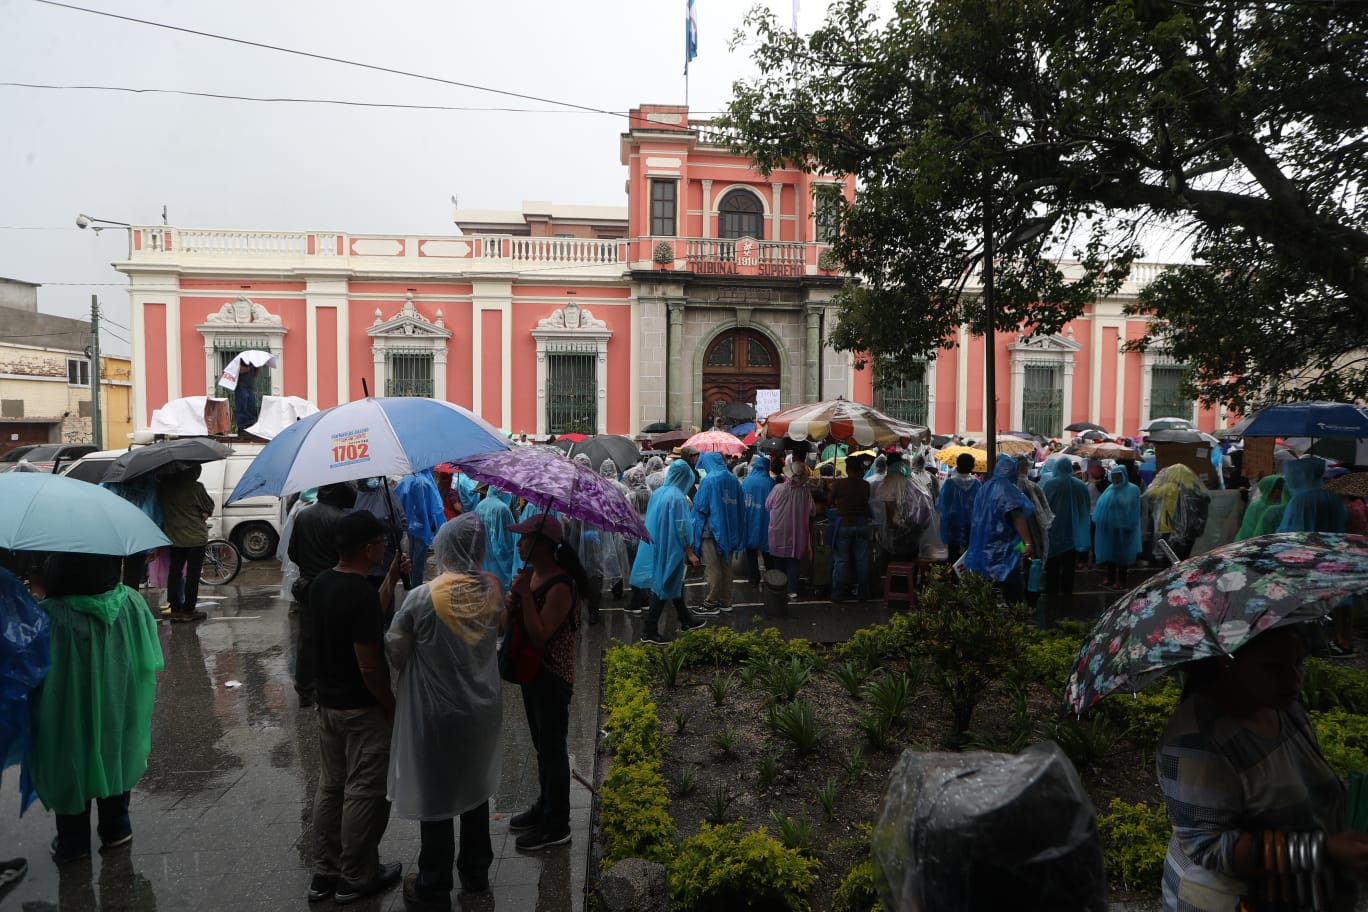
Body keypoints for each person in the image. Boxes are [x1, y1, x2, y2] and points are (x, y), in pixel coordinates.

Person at [1157, 625, 1368, 911]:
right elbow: (1211, 847)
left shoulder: (1283, 708)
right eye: (1273, 667)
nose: (1294, 679)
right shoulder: (1196, 740)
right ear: (1227, 661)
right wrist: (1325, 851)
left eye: (1298, 663)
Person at [387, 514, 502, 902]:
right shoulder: (493, 590)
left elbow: (396, 649)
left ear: (446, 547)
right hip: (481, 712)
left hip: (434, 715)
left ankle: (433, 881)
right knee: (475, 791)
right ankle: (476, 873)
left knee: (437, 795)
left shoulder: (423, 596)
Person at [30, 553, 163, 864]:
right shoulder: (130, 602)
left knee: (69, 757)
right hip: (118, 698)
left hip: (64, 706)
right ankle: (117, 827)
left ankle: (73, 841)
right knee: (114, 748)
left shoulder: (50, 614)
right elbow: (149, 656)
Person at [307, 511, 408, 905]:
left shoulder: (322, 584)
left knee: (330, 788)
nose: (384, 546)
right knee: (364, 793)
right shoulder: (359, 594)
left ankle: (324, 873)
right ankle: (356, 875)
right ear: (368, 548)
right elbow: (368, 663)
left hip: (328, 705)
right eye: (381, 542)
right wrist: (389, 703)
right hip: (361, 710)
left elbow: (364, 616)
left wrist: (391, 580)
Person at [504, 513, 589, 851]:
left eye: (524, 537)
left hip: (552, 677)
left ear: (540, 544)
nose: (518, 542)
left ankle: (557, 824)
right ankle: (545, 804)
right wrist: (515, 601)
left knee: (553, 750)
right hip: (531, 673)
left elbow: (540, 636)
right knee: (543, 747)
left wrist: (524, 597)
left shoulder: (561, 585)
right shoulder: (535, 575)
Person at [289, 481, 356, 706]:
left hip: (307, 586)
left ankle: (305, 686)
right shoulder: (342, 520)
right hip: (335, 586)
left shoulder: (303, 516)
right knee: (336, 637)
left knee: (307, 638)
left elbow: (293, 552)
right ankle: (331, 684)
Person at [632, 459, 707, 644]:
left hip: (658, 546)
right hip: (672, 549)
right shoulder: (678, 497)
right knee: (664, 586)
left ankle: (686, 620)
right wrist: (689, 552)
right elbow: (682, 527)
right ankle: (649, 631)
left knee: (673, 585)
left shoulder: (658, 493)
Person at [962, 453, 1035, 604]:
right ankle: (1015, 617)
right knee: (1012, 587)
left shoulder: (984, 488)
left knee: (985, 591)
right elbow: (1017, 517)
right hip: (1005, 548)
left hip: (983, 547)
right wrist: (1028, 543)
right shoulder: (1008, 490)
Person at [157, 465, 215, 622]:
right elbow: (209, 507)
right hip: (195, 538)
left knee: (174, 571)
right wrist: (203, 513)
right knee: (193, 573)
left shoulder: (164, 487)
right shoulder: (196, 487)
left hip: (174, 537)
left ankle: (175, 607)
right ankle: (189, 609)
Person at [692, 451, 744, 614]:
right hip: (729, 530)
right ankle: (726, 601)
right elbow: (740, 505)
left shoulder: (708, 480)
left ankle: (711, 603)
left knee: (713, 567)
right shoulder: (733, 479)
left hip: (710, 531)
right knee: (726, 566)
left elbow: (700, 506)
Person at [1040, 456, 1092, 598]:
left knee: (1053, 563)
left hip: (1053, 530)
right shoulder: (1080, 485)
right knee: (1069, 564)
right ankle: (1067, 590)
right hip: (1073, 529)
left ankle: (1052, 590)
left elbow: (1044, 506)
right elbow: (1086, 507)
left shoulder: (1051, 484)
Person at [766, 460, 816, 599]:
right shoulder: (805, 492)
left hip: (778, 531)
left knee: (778, 561)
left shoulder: (778, 489)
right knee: (794, 562)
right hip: (797, 534)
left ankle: (779, 588)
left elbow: (767, 505)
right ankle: (792, 589)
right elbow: (812, 511)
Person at [1144, 464, 1211, 564]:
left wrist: (1159, 479)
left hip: (1169, 528)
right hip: (1190, 531)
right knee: (1184, 558)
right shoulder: (1196, 489)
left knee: (1169, 559)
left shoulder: (1170, 487)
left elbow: (1150, 493)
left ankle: (1170, 578)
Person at [829, 453, 873, 602]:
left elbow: (830, 500)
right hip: (862, 524)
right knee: (862, 560)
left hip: (844, 525)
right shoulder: (865, 485)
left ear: (847, 469)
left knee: (841, 561)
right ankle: (862, 594)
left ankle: (837, 594)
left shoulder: (839, 484)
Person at [1093, 465, 1143, 590]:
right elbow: (1101, 506)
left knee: (1122, 556)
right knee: (1110, 554)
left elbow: (1135, 509)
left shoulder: (1133, 489)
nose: (1115, 480)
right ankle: (1110, 578)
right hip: (1110, 528)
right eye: (1113, 477)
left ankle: (1121, 580)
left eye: (1118, 477)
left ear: (1124, 476)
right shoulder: (1110, 489)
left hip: (1125, 527)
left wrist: (1131, 525)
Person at [396, 470, 445, 589]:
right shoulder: (426, 482)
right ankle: (416, 587)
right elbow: (435, 506)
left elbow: (397, 499)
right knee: (418, 559)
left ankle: (411, 582)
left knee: (412, 555)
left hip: (410, 524)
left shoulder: (405, 480)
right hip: (423, 526)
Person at [354, 477, 406, 588]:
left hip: (385, 558)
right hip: (361, 563)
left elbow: (401, 521)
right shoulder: (353, 496)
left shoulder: (385, 492)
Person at [937, 452, 981, 566]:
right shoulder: (977, 484)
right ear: (972, 466)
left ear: (957, 465)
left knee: (953, 556)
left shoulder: (949, 483)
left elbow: (942, 505)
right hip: (971, 527)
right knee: (970, 555)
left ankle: (953, 579)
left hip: (953, 527)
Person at [473, 485, 519, 592]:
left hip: (483, 559)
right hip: (499, 566)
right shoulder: (502, 509)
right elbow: (507, 543)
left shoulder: (480, 505)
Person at [741, 454, 777, 586]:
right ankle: (772, 580)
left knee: (751, 553)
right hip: (767, 521)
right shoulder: (771, 483)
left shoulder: (747, 481)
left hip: (750, 520)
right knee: (768, 553)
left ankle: (753, 580)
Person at [1235, 474, 1284, 542]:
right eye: (1278, 488)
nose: (1281, 490)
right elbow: (1248, 530)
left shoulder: (1284, 505)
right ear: (1269, 488)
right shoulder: (1256, 507)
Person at [234, 362, 259, 431]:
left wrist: (258, 368)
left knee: (252, 408)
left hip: (250, 388)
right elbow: (236, 371)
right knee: (242, 408)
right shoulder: (241, 361)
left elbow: (255, 375)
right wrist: (247, 368)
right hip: (241, 387)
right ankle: (241, 428)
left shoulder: (255, 364)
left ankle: (250, 427)